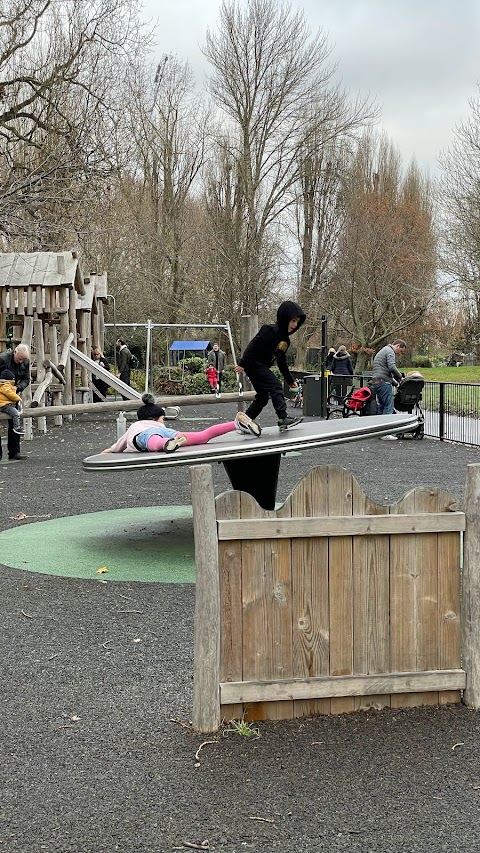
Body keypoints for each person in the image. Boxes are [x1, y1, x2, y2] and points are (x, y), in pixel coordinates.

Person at [101, 394, 261, 454]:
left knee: (153, 442)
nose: (163, 421)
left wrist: (109, 450)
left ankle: (167, 444)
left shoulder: (136, 428)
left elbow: (119, 444)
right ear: (153, 419)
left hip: (146, 438)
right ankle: (236, 424)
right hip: (169, 434)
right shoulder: (152, 425)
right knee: (203, 436)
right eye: (162, 419)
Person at [234, 300, 306, 430]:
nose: (295, 325)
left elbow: (281, 361)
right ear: (285, 318)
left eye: (297, 322)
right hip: (253, 363)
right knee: (275, 385)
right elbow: (253, 345)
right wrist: (243, 363)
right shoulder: (269, 330)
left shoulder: (285, 340)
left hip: (260, 367)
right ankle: (282, 418)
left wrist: (290, 381)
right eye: (293, 320)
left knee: (262, 398)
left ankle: (244, 422)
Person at [370, 339, 407, 439]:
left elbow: (384, 371)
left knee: (381, 406)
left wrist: (395, 383)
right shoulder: (390, 351)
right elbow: (391, 367)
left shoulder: (383, 350)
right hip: (383, 382)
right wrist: (400, 378)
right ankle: (386, 433)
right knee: (388, 407)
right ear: (398, 346)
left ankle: (379, 432)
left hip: (376, 381)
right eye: (400, 351)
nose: (399, 353)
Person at [0, 344, 31, 461]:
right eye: (19, 359)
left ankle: (14, 452)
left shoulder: (25, 362)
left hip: (13, 393)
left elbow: (26, 379)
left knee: (15, 421)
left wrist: (17, 388)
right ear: (15, 353)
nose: (21, 361)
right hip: (2, 392)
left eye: (23, 359)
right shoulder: (3, 359)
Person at [0, 369, 24, 435]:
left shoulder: (4, 386)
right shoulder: (5, 386)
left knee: (15, 411)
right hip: (4, 405)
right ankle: (17, 427)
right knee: (15, 413)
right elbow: (10, 394)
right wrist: (18, 398)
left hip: (4, 404)